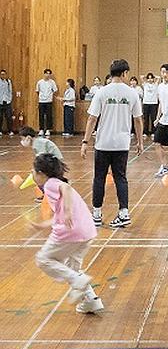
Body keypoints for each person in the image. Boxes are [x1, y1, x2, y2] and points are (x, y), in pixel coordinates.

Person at [31, 154, 104, 314]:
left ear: (41, 173)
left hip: (70, 233)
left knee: (43, 259)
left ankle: (78, 280)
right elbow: (60, 212)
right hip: (87, 231)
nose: (33, 175)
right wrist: (43, 224)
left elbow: (67, 188)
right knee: (73, 268)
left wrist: (69, 212)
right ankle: (91, 301)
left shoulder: (50, 184)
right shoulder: (56, 183)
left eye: (33, 172)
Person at [81, 59, 143, 228]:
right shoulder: (132, 94)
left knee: (99, 178)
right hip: (122, 144)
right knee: (121, 178)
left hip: (103, 143)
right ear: (124, 73)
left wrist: (85, 141)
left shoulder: (101, 92)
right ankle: (124, 213)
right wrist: (140, 141)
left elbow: (92, 118)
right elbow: (138, 120)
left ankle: (96, 214)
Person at [19, 125, 64, 202]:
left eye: (22, 139)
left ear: (28, 137)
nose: (22, 141)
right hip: (53, 162)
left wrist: (36, 169)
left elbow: (42, 159)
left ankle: (47, 195)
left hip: (54, 163)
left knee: (38, 177)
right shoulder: (37, 142)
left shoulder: (38, 143)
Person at [36, 68, 58, 137]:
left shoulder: (52, 82)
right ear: (44, 74)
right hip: (41, 101)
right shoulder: (39, 82)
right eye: (46, 73)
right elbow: (37, 91)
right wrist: (41, 96)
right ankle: (41, 129)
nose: (48, 75)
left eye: (49, 74)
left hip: (49, 101)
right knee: (41, 115)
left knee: (49, 115)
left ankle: (48, 129)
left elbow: (55, 90)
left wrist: (50, 95)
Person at [141, 72, 160, 138]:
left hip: (154, 103)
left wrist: (154, 76)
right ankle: (145, 132)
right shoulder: (145, 84)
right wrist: (146, 76)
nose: (150, 80)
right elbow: (141, 77)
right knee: (146, 118)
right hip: (146, 103)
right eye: (148, 78)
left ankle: (153, 132)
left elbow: (159, 78)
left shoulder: (156, 84)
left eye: (151, 78)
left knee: (153, 118)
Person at [0, 69, 14, 136]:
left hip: (7, 102)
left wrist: (10, 99)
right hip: (0, 102)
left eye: (4, 74)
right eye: (2, 74)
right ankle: (0, 131)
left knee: (9, 117)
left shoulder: (8, 82)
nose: (3, 75)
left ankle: (10, 130)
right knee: (0, 117)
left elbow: (10, 91)